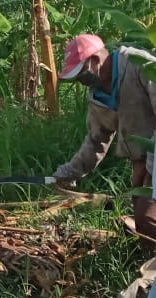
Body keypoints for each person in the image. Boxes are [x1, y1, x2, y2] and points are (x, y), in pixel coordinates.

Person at [54, 34, 156, 243]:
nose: (82, 81)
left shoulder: (137, 64)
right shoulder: (98, 95)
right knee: (142, 219)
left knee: (148, 218)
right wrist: (70, 171)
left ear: (95, 60)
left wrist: (152, 162)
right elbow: (96, 140)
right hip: (140, 162)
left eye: (82, 74)